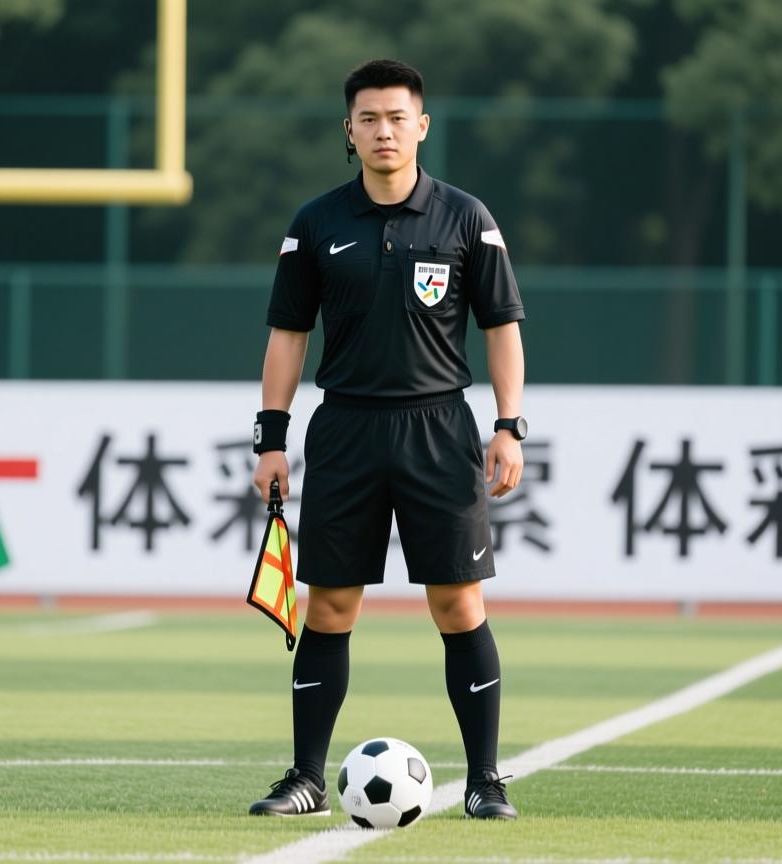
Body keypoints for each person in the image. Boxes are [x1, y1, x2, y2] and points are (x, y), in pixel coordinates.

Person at [249, 58, 527, 821]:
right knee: (330, 607)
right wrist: (270, 440)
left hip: (440, 429)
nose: (384, 131)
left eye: (398, 117)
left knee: (458, 604)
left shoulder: (466, 218)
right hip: (346, 429)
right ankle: (306, 778)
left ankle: (485, 781)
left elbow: (502, 326)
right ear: (349, 129)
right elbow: (287, 335)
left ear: (422, 126)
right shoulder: (316, 224)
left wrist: (508, 425)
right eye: (368, 118)